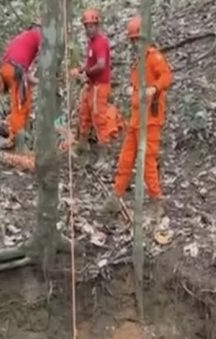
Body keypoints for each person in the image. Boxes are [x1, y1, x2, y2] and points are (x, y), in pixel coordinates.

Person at [103, 15, 172, 217]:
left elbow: (167, 76)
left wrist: (153, 89)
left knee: (147, 160)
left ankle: (156, 200)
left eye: (137, 40)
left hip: (150, 120)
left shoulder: (154, 57)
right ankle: (116, 196)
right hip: (136, 120)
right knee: (125, 158)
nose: (135, 44)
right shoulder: (139, 61)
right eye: (133, 40)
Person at [71, 9, 119, 164]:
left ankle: (103, 156)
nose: (89, 29)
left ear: (97, 26)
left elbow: (101, 65)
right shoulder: (91, 43)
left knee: (99, 118)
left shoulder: (100, 42)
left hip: (100, 86)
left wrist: (87, 72)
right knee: (84, 113)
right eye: (87, 26)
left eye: (92, 26)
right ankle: (82, 147)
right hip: (91, 84)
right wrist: (82, 70)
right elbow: (91, 64)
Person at [0, 20, 42, 149]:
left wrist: (41, 82)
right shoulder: (36, 35)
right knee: (20, 106)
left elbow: (26, 74)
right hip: (14, 70)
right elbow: (45, 51)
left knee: (25, 102)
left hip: (9, 69)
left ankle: (9, 126)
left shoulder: (24, 39)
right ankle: (14, 138)